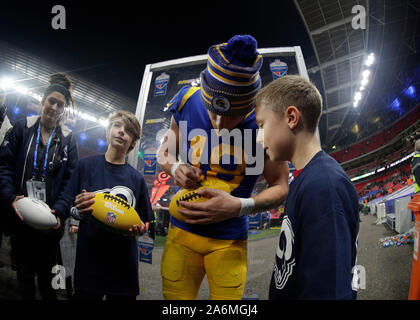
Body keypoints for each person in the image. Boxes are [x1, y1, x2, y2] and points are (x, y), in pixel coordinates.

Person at [157, 35, 289, 300]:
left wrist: (242, 206)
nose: (218, 122)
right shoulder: (187, 101)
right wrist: (175, 168)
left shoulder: (264, 124)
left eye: (232, 115)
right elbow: (165, 152)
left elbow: (281, 185)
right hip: (181, 231)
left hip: (229, 238)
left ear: (250, 106)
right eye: (212, 110)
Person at [254, 75, 359, 299]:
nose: (259, 138)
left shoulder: (324, 186)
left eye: (262, 125)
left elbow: (330, 292)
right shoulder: (308, 180)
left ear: (291, 117)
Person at [52, 110, 154, 300]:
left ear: (133, 141)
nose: (121, 131)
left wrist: (139, 229)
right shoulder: (85, 166)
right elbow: (66, 199)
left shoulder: (137, 179)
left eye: (128, 130)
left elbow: (145, 221)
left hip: (123, 266)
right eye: (117, 125)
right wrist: (57, 214)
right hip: (90, 260)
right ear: (107, 131)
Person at [0, 73, 78, 300]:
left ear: (63, 109)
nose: (54, 107)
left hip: (50, 222)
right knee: (24, 274)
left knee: (48, 278)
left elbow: (70, 181)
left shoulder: (68, 139)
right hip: (21, 216)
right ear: (43, 101)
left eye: (60, 104)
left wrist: (61, 212)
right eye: (51, 101)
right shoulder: (22, 129)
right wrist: (11, 197)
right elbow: (4, 166)